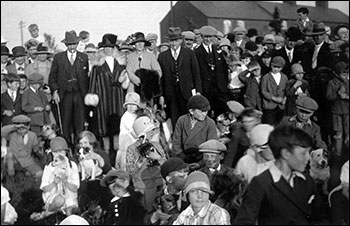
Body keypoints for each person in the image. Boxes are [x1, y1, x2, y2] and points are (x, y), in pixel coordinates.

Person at [234, 125, 323, 225]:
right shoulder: (261, 183)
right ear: (285, 154)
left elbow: (319, 217)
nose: (308, 158)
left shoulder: (306, 180)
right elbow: (244, 220)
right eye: (303, 153)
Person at [88, 33, 127, 155]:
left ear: (114, 48)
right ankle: (106, 154)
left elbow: (125, 84)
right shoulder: (97, 66)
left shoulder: (121, 65)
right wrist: (92, 103)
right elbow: (92, 84)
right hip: (103, 100)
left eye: (110, 47)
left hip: (117, 99)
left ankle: (117, 154)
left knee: (117, 127)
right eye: (105, 47)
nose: (108, 49)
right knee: (103, 127)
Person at [49, 30, 89, 145]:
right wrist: (55, 91)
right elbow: (52, 77)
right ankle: (66, 147)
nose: (72, 46)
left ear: (77, 44)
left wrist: (87, 95)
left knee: (80, 123)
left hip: (79, 94)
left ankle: (79, 147)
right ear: (66, 45)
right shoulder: (58, 58)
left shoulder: (84, 57)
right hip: (65, 94)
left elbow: (86, 78)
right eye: (69, 44)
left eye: (74, 44)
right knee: (65, 123)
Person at [158, 27, 202, 128]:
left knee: (188, 118)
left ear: (181, 40)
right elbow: (161, 78)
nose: (174, 44)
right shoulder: (162, 56)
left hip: (186, 92)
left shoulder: (189, 53)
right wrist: (161, 95)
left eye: (176, 41)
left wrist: (198, 91)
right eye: (171, 41)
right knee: (174, 120)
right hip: (170, 93)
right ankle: (177, 141)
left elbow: (196, 73)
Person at [125, 116, 167, 212]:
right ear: (142, 133)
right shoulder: (131, 149)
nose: (153, 133)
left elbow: (167, 166)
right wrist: (143, 157)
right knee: (148, 212)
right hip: (143, 187)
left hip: (160, 184)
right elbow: (130, 171)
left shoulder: (156, 145)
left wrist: (158, 158)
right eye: (150, 130)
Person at [34, 137, 79, 220]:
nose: (59, 154)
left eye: (61, 151)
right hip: (54, 197)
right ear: (51, 153)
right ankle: (48, 211)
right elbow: (45, 189)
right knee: (59, 200)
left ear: (66, 151)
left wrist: (66, 182)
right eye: (56, 152)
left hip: (69, 197)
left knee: (72, 214)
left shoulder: (72, 166)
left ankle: (57, 212)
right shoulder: (48, 167)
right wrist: (54, 183)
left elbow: (75, 188)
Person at [195, 25, 230, 118]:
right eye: (205, 37)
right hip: (206, 88)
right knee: (207, 113)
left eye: (210, 37)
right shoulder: (196, 52)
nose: (208, 39)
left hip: (219, 88)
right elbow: (196, 72)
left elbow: (224, 69)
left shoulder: (218, 50)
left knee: (222, 112)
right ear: (202, 37)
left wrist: (224, 84)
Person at [171, 95, 217, 163]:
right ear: (191, 111)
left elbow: (211, 148)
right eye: (201, 111)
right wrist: (182, 158)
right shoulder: (181, 120)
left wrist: (200, 164)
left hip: (201, 160)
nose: (205, 114)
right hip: (183, 158)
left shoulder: (210, 123)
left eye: (206, 111)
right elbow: (176, 142)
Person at [145, 157, 190, 225]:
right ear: (169, 179)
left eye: (187, 174)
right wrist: (155, 216)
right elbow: (147, 220)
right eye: (181, 176)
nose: (187, 178)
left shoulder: (190, 195)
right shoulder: (156, 197)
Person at [1, 115, 43, 179]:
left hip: (27, 161)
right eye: (19, 129)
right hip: (14, 162)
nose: (21, 130)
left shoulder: (32, 135)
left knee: (39, 173)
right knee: (9, 157)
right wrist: (15, 127)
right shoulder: (11, 134)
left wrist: (38, 147)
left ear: (28, 126)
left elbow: (35, 150)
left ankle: (27, 175)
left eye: (23, 128)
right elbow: (2, 131)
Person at [326, 61, 349, 158]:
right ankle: (338, 154)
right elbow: (328, 96)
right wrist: (337, 95)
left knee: (348, 132)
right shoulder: (331, 83)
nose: (346, 76)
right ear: (336, 73)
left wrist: (346, 96)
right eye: (343, 74)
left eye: (347, 74)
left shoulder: (348, 82)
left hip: (348, 111)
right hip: (336, 112)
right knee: (338, 133)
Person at [116, 92, 140, 171]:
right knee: (125, 160)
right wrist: (138, 136)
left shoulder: (137, 116)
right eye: (128, 104)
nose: (130, 107)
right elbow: (131, 129)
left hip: (134, 142)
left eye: (133, 104)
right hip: (127, 141)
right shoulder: (126, 116)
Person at [261, 56, 288, 126]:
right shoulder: (266, 77)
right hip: (269, 106)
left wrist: (285, 98)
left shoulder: (284, 77)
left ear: (282, 68)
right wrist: (274, 98)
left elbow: (286, 90)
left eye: (278, 67)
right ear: (271, 65)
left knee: (280, 125)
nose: (276, 69)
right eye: (274, 66)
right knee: (269, 125)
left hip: (281, 106)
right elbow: (263, 91)